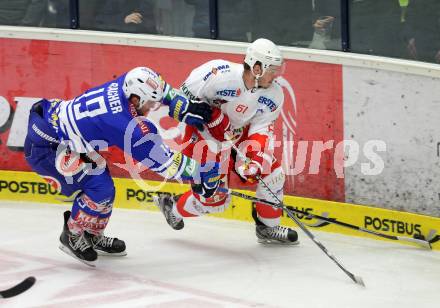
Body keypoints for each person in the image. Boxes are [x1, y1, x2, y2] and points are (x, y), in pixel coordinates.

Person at [24, 66, 221, 266]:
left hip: (55, 125)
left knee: (104, 188)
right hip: (48, 147)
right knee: (100, 189)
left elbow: (158, 86)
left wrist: (182, 103)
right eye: (150, 103)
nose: (152, 107)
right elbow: (165, 162)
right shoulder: (125, 126)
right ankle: (72, 236)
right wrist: (200, 172)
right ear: (136, 99)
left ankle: (92, 234)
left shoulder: (127, 83)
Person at [154, 38, 299, 244]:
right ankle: (173, 206)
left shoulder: (274, 94)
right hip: (204, 138)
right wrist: (199, 113)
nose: (276, 75)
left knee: (273, 175)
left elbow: (261, 128)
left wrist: (255, 159)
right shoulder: (217, 73)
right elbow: (178, 102)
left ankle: (267, 228)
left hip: (239, 136)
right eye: (272, 69)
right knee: (214, 201)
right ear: (257, 67)